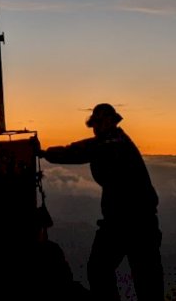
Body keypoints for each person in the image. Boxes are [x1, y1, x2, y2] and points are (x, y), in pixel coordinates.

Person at [39, 103, 164, 301]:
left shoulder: (111, 144)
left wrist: (46, 153)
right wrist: (48, 153)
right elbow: (83, 149)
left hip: (128, 223)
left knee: (102, 269)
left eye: (98, 123)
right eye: (95, 124)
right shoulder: (116, 142)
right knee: (143, 279)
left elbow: (79, 151)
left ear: (109, 122)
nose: (96, 128)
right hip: (136, 222)